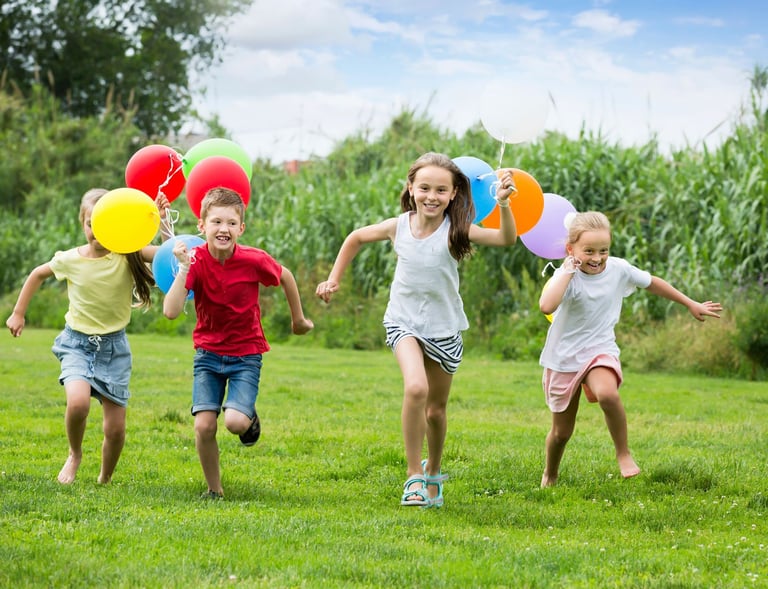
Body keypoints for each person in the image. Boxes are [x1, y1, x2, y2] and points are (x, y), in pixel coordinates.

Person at [316, 152, 517, 508]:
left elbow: (505, 239)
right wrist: (334, 280)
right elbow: (355, 238)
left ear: (454, 194)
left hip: (444, 328)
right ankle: (413, 476)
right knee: (415, 387)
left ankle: (433, 471)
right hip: (403, 322)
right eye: (424, 187)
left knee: (436, 411)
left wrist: (503, 204)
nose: (431, 196)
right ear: (411, 188)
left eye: (441, 190)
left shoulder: (457, 229)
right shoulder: (398, 225)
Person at [538, 211, 723, 488]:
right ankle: (550, 474)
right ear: (571, 249)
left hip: (599, 349)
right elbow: (546, 306)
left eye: (604, 250)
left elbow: (652, 282)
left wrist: (690, 303)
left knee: (608, 394)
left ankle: (623, 453)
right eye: (589, 251)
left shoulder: (618, 269)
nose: (598, 258)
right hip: (563, 357)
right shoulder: (568, 277)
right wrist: (566, 271)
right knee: (561, 433)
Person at [6, 188, 171, 485]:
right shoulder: (71, 259)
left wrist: (160, 223)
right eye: (90, 223)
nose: (96, 231)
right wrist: (18, 313)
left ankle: (105, 478)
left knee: (116, 429)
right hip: (77, 344)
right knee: (78, 403)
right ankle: (75, 453)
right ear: (82, 222)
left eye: (104, 223)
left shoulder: (128, 252)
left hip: (114, 349)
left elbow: (169, 256)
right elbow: (37, 274)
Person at [163, 187, 314, 500]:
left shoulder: (253, 260)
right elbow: (171, 311)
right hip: (207, 355)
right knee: (204, 426)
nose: (224, 229)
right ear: (201, 226)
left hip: (246, 354)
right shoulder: (195, 260)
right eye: (216, 222)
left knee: (234, 422)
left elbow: (285, 276)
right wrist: (184, 267)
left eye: (231, 223)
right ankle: (214, 490)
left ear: (241, 228)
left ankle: (247, 415)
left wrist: (298, 319)